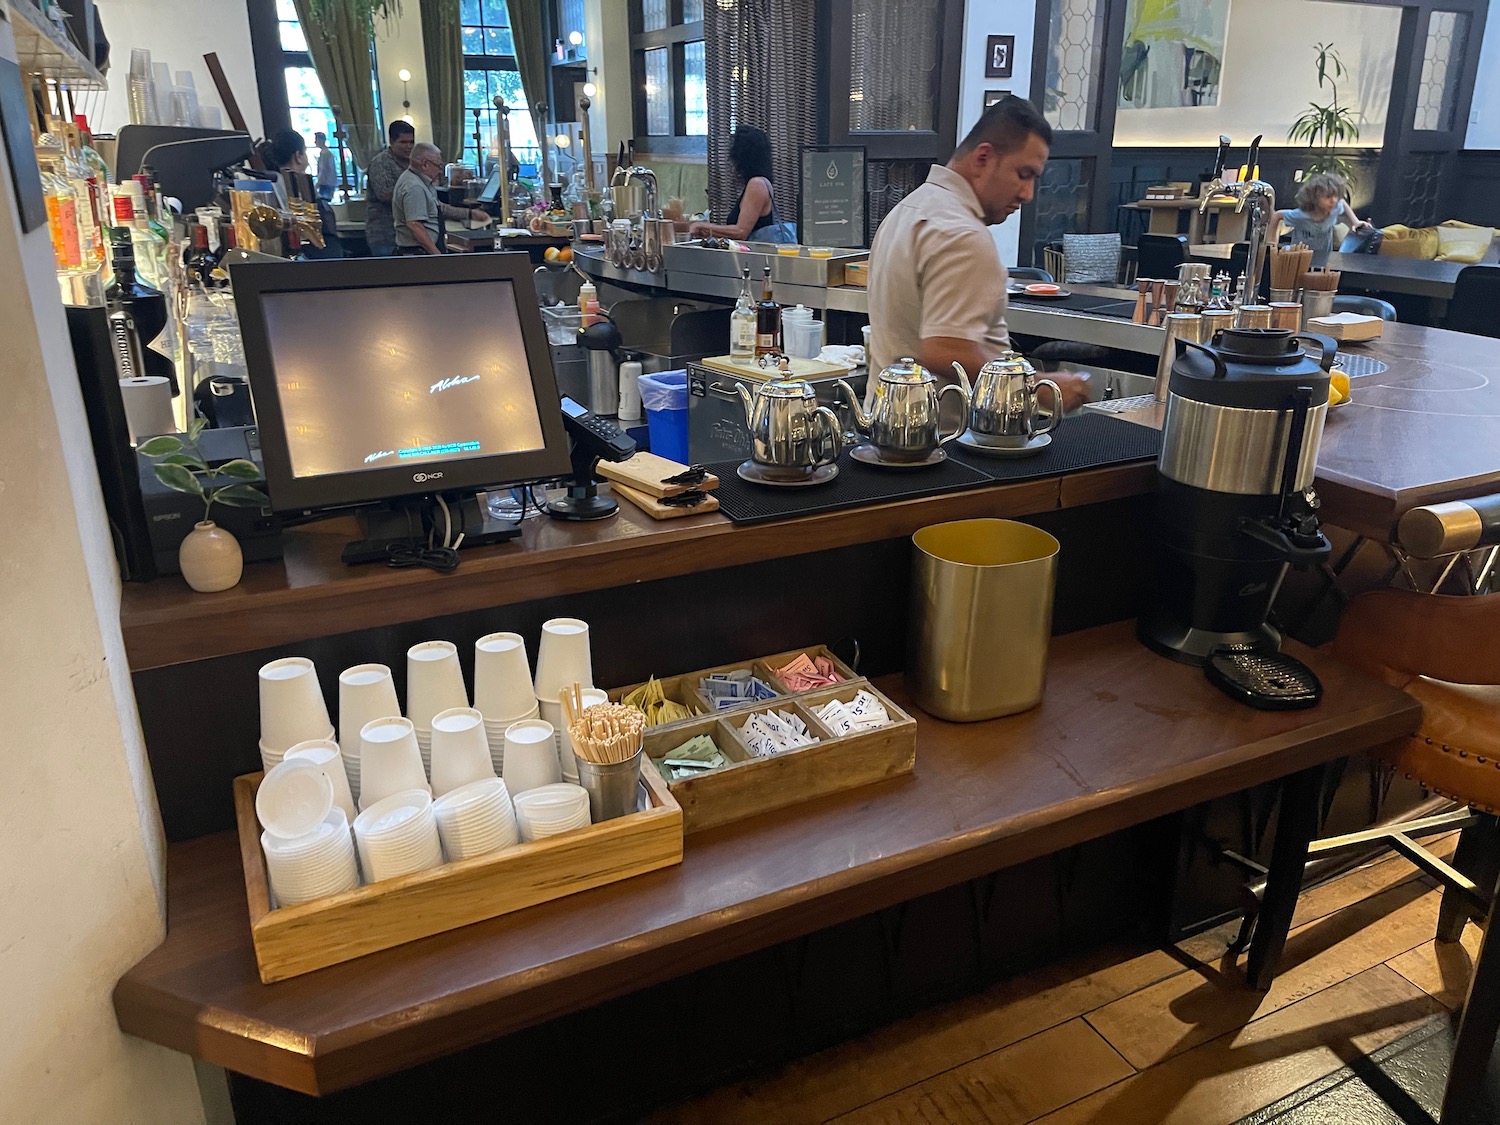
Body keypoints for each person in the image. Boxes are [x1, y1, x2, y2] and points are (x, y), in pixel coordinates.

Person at [867, 96, 1090, 411]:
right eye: (1023, 174)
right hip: (949, 441)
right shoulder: (965, 235)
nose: (1027, 194)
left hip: (888, 424)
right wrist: (1039, 388)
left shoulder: (908, 209)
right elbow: (944, 349)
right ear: (983, 157)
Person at [688, 125, 796, 243]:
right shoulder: (760, 182)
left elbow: (741, 232)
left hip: (753, 256)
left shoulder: (757, 184)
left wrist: (701, 226)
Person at [393, 143, 488, 256]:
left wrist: (469, 213)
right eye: (438, 166)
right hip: (418, 252)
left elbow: (439, 207)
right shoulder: (415, 187)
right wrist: (437, 255)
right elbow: (414, 225)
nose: (439, 171)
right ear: (425, 164)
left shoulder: (421, 182)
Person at [1269, 172, 1373, 268]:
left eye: (1335, 196)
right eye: (1328, 197)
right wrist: (1272, 241)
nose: (1333, 200)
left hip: (1323, 261)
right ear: (1314, 198)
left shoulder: (1334, 209)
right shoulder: (1300, 215)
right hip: (1298, 260)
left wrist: (1355, 222)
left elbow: (1342, 203)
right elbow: (1277, 215)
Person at [364, 120, 418, 256]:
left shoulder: (412, 163)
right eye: (403, 142)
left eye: (411, 142)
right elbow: (385, 194)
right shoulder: (380, 162)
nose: (409, 147)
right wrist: (417, 196)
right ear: (392, 141)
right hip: (385, 235)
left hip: (408, 235)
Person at [313, 131, 337, 202]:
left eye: (316, 139)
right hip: (328, 183)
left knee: (324, 204)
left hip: (326, 184)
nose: (315, 142)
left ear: (321, 140)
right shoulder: (326, 152)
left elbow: (323, 170)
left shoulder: (325, 153)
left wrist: (318, 182)